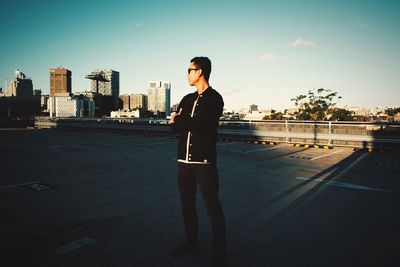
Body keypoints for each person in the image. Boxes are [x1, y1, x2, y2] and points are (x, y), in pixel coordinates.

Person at [169, 57, 227, 267]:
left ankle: (220, 253)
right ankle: (191, 243)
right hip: (183, 162)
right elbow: (175, 127)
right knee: (187, 205)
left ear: (200, 71)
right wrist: (181, 122)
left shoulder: (215, 99)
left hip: (204, 163)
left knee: (213, 207)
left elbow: (201, 124)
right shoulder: (186, 99)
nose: (187, 74)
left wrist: (180, 120)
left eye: (189, 70)